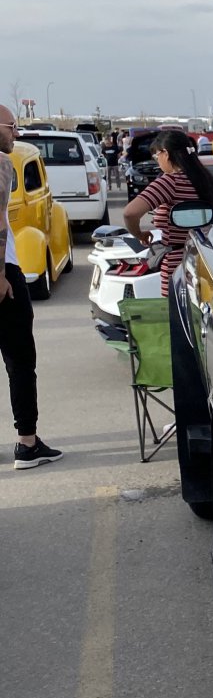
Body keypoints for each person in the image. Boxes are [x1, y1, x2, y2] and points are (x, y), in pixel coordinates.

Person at [0, 104, 63, 469]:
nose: (17, 134)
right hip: (4, 276)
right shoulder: (1, 163)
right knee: (20, 362)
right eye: (12, 126)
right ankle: (27, 443)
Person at [123, 130, 213, 298]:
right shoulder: (206, 180)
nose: (158, 162)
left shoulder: (170, 181)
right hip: (206, 260)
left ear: (166, 154)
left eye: (157, 157)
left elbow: (130, 213)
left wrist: (139, 233)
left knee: (179, 318)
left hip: (177, 265)